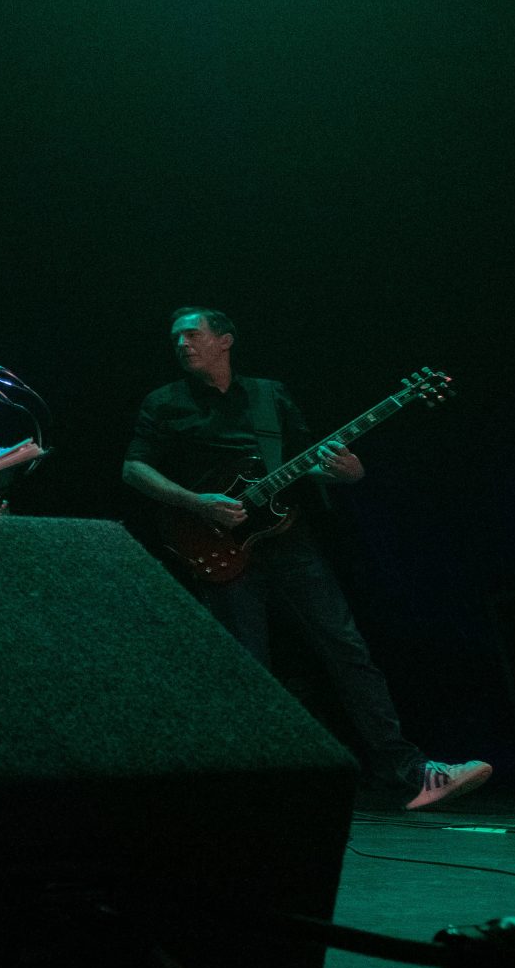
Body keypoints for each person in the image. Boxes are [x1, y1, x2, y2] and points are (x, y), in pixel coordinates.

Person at [121, 307, 488, 810]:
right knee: (246, 668)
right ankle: (251, 785)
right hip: (214, 545)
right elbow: (134, 469)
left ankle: (410, 772)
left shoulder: (269, 395)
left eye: (192, 334)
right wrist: (196, 502)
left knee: (347, 650)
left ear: (225, 340)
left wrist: (348, 471)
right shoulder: (165, 402)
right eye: (176, 338)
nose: (182, 344)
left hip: (288, 540)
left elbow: (309, 462)